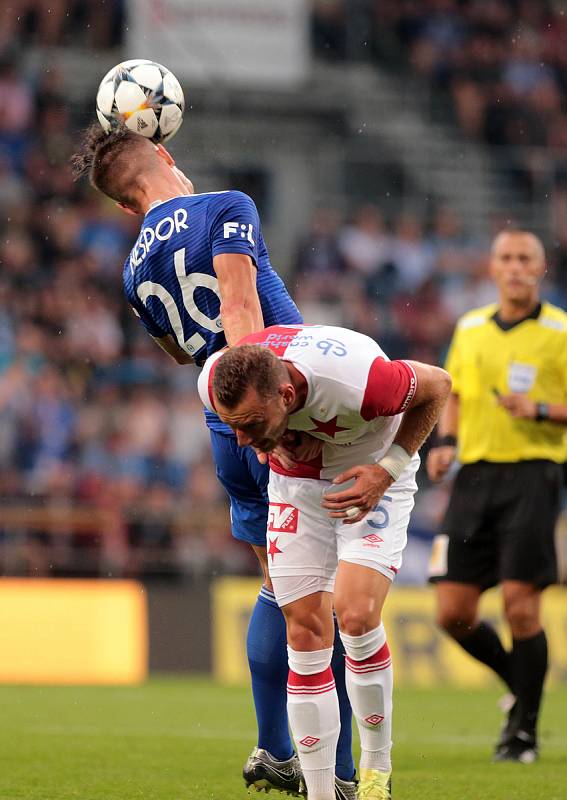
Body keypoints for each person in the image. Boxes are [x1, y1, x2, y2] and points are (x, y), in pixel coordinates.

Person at [71, 125, 356, 797]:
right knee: (318, 598)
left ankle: (273, 747)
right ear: (167, 156)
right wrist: (273, 416)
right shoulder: (225, 206)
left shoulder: (133, 271)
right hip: (275, 403)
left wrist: (238, 412)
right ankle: (343, 775)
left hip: (220, 421)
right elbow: (236, 304)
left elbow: (180, 353)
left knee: (279, 584)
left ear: (122, 205)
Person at [198, 324, 451, 800]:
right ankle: (323, 793)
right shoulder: (216, 378)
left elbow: (438, 384)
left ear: (287, 394)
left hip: (371, 476)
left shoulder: (363, 382)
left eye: (252, 424)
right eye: (234, 424)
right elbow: (237, 427)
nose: (242, 440)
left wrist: (388, 469)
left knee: (354, 615)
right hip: (296, 489)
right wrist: (269, 438)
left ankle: (377, 768)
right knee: (305, 632)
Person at [426, 229, 567, 763]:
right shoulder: (470, 328)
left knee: (519, 605)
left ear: (540, 269)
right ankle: (520, 681)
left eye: (524, 259)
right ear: (492, 266)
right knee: (451, 612)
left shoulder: (560, 331)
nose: (514, 267)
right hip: (475, 478)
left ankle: (522, 734)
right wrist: (446, 444)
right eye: (505, 257)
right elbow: (455, 394)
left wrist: (541, 411)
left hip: (534, 475)